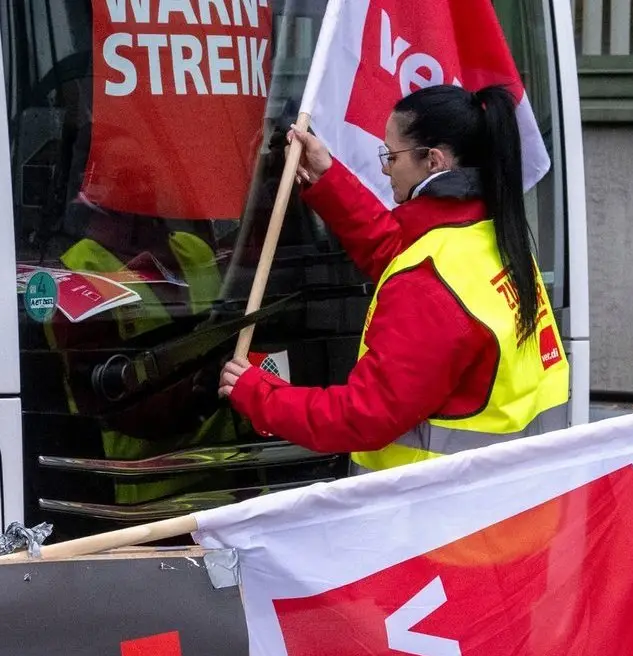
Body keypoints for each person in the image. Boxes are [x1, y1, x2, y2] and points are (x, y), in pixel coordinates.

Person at [218, 84, 570, 473]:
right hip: (510, 494)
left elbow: (362, 416)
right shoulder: (493, 235)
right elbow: (396, 249)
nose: (385, 168)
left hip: (430, 503)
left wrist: (260, 394)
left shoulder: (427, 281)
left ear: (433, 160)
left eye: (392, 156)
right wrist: (328, 177)